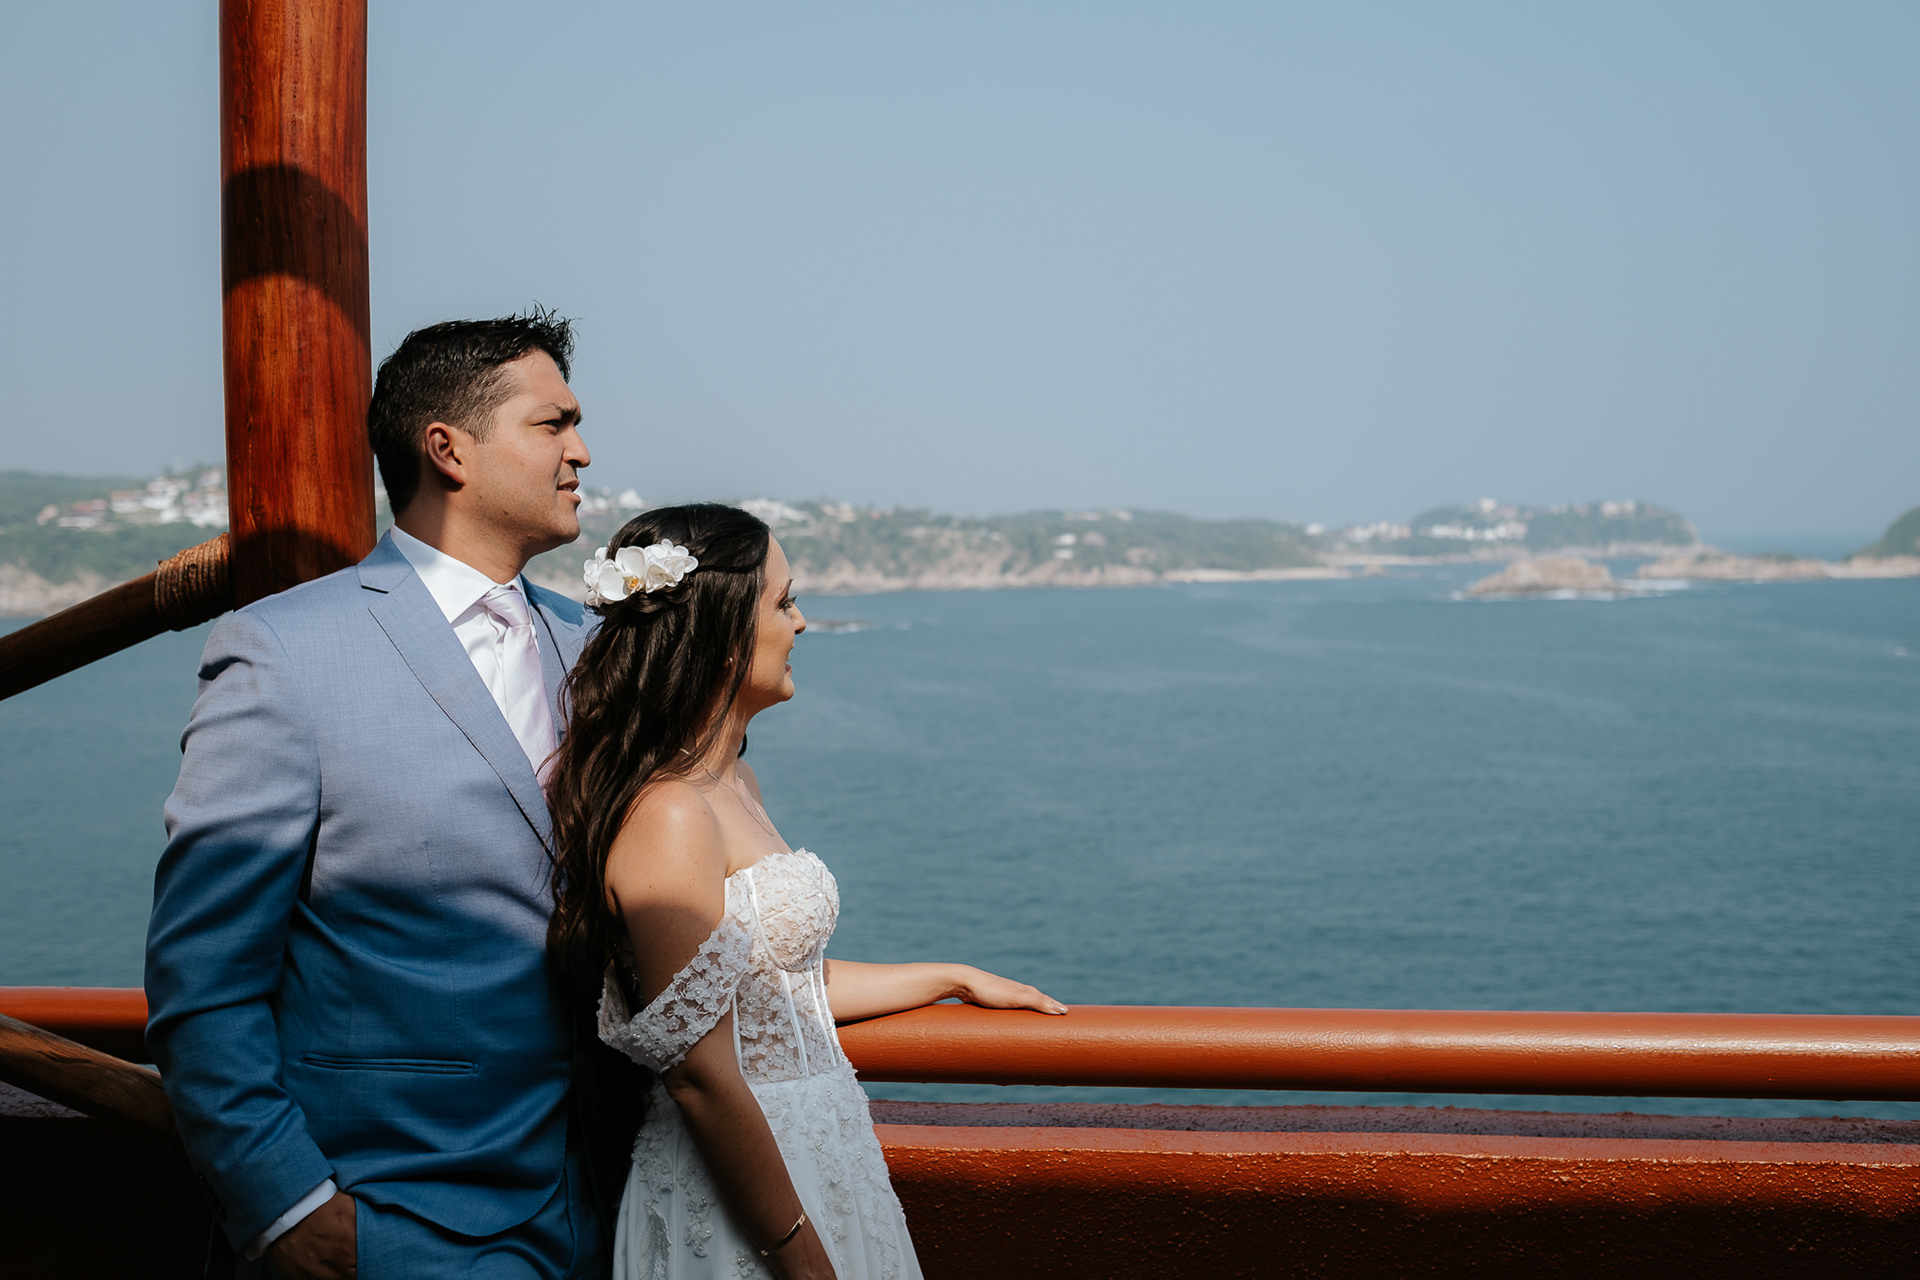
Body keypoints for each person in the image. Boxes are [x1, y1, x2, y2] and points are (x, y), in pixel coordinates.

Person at [146, 312, 611, 1279]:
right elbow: (205, 976)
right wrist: (289, 1212)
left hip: (606, 1210)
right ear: (448, 448)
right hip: (395, 1214)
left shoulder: (596, 647)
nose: (581, 451)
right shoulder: (285, 651)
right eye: (552, 424)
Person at [546, 504, 1067, 1280]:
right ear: (725, 634)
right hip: (745, 1195)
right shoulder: (671, 814)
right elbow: (699, 1074)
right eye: (784, 602)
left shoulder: (735, 782)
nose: (801, 623)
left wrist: (950, 976)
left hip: (824, 1156)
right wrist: (802, 1258)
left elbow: (770, 986)